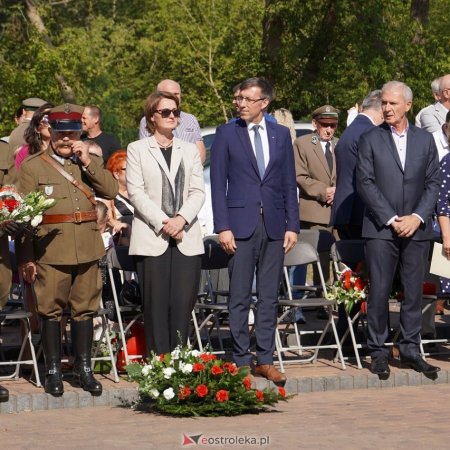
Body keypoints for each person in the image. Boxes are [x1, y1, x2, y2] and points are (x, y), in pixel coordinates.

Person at [15, 103, 118, 397]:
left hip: (87, 247)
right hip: (50, 250)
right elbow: (23, 216)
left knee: (84, 310)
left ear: (79, 132)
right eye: (60, 133)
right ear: (51, 132)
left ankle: (84, 369)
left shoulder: (85, 162)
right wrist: (26, 257)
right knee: (50, 311)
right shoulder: (33, 166)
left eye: (71, 133)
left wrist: (87, 161)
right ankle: (53, 371)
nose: (65, 139)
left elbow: (110, 190)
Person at [210, 77, 299, 385]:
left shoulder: (280, 134)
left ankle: (265, 359)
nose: (241, 104)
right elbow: (218, 183)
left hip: (274, 225)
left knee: (269, 296)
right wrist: (223, 226)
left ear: (264, 103)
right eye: (239, 99)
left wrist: (293, 225)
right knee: (239, 295)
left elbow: (289, 182)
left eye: (248, 99)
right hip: (240, 225)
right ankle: (239, 359)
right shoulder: (226, 134)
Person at [356, 80, 441, 379]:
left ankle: (409, 348)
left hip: (417, 229)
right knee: (378, 290)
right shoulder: (370, 139)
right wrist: (392, 218)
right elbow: (364, 183)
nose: (387, 108)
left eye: (393, 103)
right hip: (381, 228)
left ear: (408, 105)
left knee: (414, 291)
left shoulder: (425, 140)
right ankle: (378, 352)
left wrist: (417, 217)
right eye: (384, 103)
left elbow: (433, 183)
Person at [127, 91, 205, 355]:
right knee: (156, 306)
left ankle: (180, 365)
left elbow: (198, 191)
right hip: (153, 237)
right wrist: (164, 223)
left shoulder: (189, 150)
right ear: (152, 117)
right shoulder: (136, 149)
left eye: (176, 112)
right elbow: (136, 193)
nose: (173, 116)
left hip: (186, 237)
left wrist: (181, 219)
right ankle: (158, 369)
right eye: (166, 112)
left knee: (183, 304)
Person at [294, 105, 339, 286]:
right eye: (324, 124)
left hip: (337, 210)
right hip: (314, 211)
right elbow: (299, 175)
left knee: (340, 257)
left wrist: (338, 190)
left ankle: (343, 298)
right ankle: (321, 298)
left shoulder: (339, 143)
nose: (329, 130)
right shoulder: (303, 143)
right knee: (319, 259)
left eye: (333, 125)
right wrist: (324, 190)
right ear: (315, 123)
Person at [331, 90, 383, 240]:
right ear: (381, 110)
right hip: (360, 210)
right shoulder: (370, 132)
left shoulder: (352, 129)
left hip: (347, 208)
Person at [139, 79, 206, 163]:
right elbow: (145, 152)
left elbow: (200, 150)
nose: (174, 97)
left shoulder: (190, 119)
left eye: (176, 94)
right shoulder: (147, 120)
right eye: (169, 94)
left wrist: (194, 170)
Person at [15, 103, 54, 171]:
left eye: (54, 121)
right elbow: (18, 178)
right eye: (46, 121)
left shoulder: (67, 150)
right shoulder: (25, 152)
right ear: (37, 128)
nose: (51, 125)